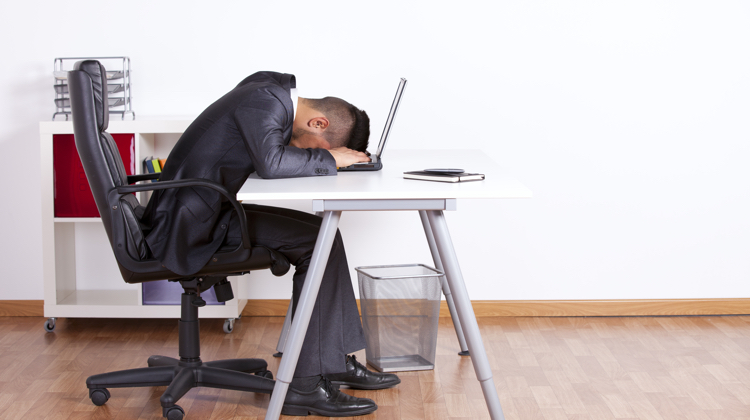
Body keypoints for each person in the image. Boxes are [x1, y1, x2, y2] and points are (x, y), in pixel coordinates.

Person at [142, 71, 399, 417]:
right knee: (317, 242)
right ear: (318, 122)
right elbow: (273, 163)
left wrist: (327, 157)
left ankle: (332, 361)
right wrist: (329, 161)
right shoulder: (267, 101)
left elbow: (265, 154)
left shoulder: (269, 92)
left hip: (203, 209)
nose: (318, 153)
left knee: (324, 235)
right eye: (324, 146)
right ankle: (305, 386)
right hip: (190, 225)